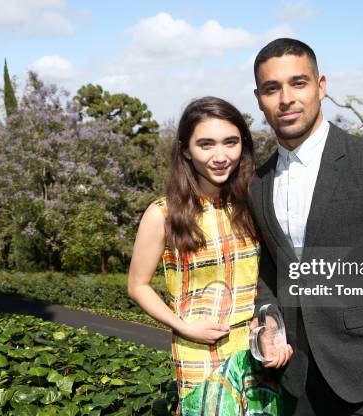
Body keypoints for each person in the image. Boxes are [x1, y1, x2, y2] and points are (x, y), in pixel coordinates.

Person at [248, 38, 363, 415]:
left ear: (321, 86)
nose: (286, 98)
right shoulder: (257, 183)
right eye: (272, 88)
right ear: (259, 98)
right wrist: (268, 319)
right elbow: (270, 270)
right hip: (297, 382)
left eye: (298, 83)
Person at [128, 97, 286, 415]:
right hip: (199, 355)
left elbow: (271, 277)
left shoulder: (255, 205)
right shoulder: (163, 214)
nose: (220, 156)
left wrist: (272, 331)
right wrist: (183, 326)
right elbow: (138, 285)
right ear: (186, 149)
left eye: (231, 142)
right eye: (206, 144)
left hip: (258, 351)